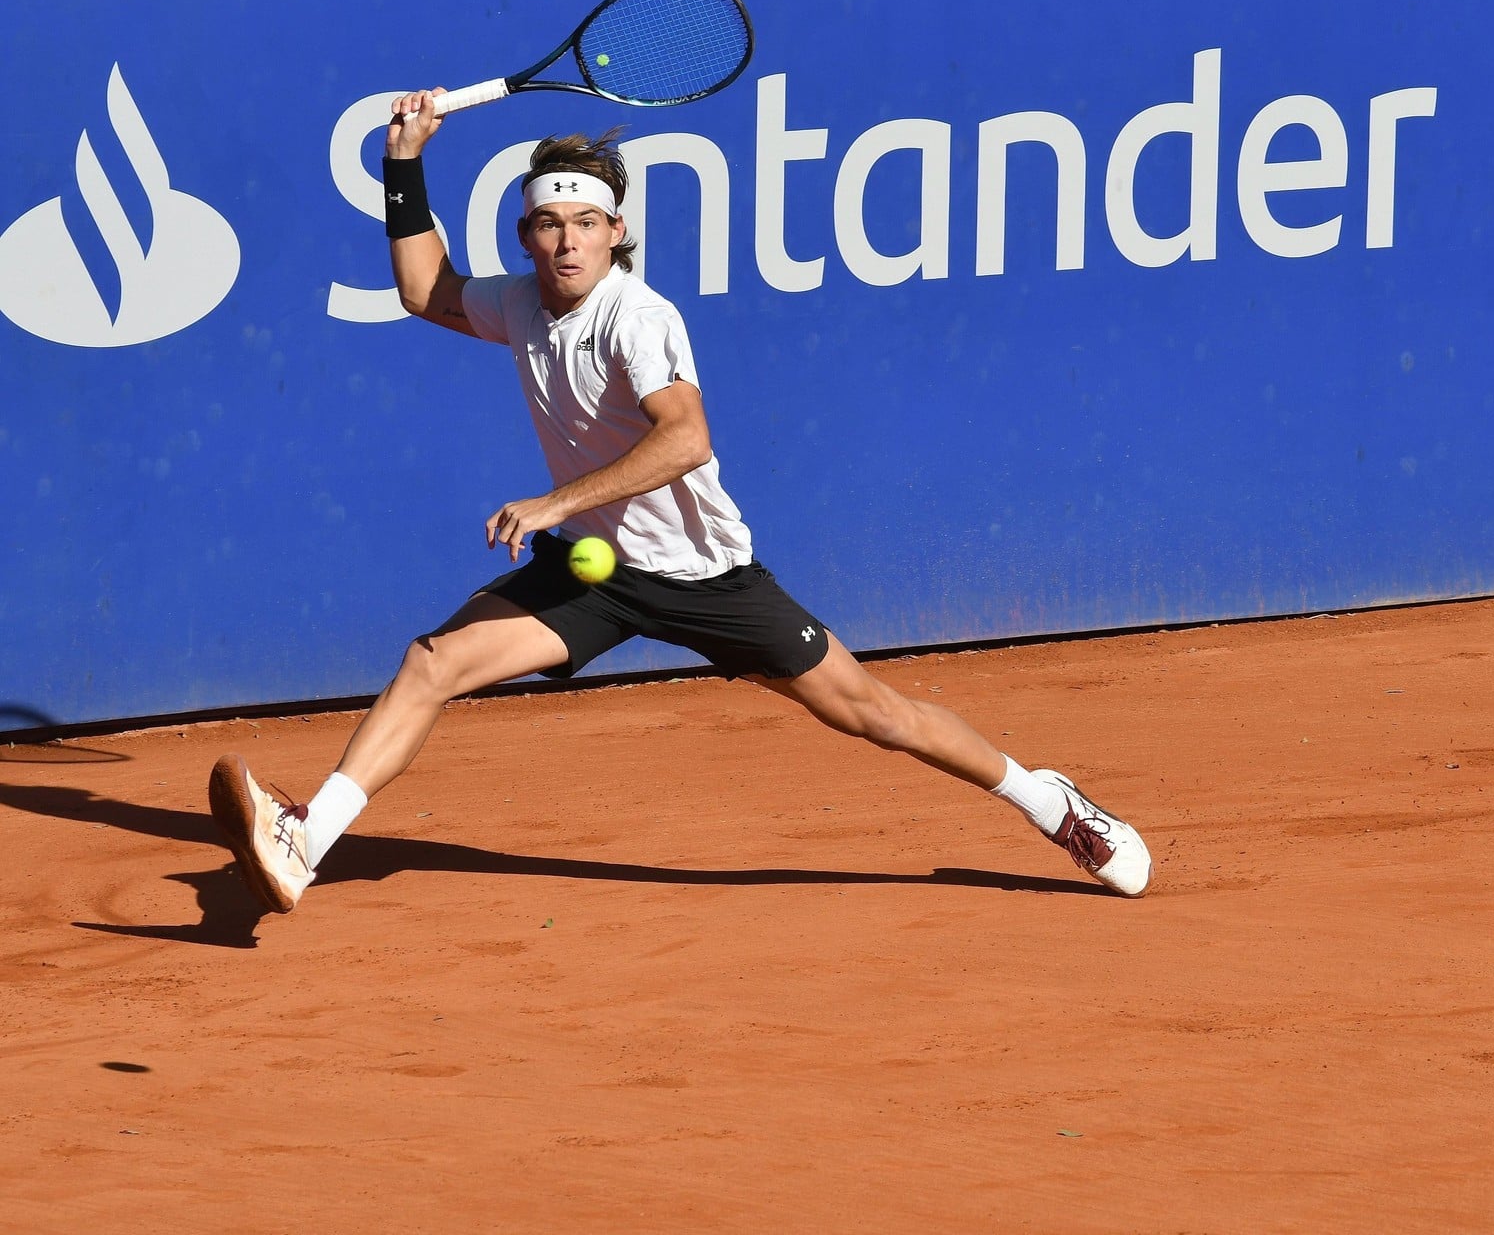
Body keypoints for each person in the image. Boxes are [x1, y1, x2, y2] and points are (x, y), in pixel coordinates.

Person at [207, 90, 1152, 914]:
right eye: (548, 224)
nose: (567, 239)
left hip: (707, 579)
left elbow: (686, 439)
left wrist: (551, 501)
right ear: (528, 236)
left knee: (875, 715)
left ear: (616, 231)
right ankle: (306, 843)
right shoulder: (524, 303)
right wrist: (403, 162)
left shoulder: (639, 315)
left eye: (585, 223)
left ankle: (1048, 801)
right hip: (599, 572)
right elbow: (425, 290)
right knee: (433, 662)